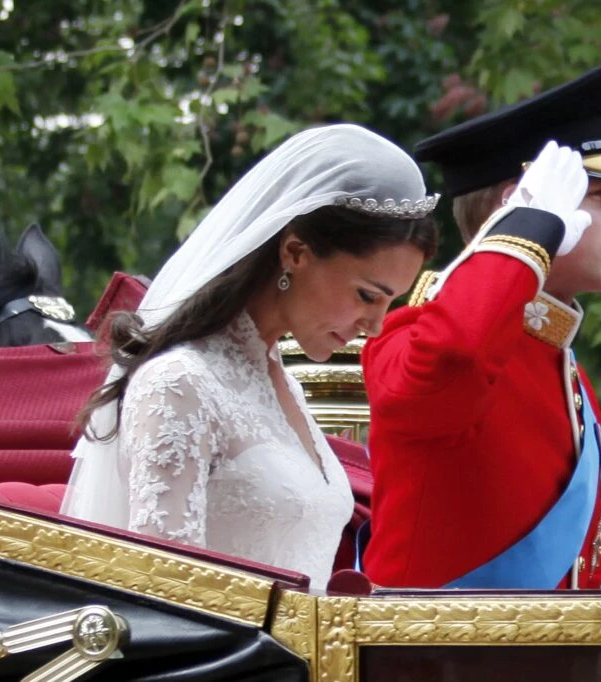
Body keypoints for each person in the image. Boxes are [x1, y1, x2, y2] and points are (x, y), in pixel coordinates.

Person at [61, 124, 440, 589]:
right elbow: (166, 596)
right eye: (366, 295)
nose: (376, 326)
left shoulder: (283, 385)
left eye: (389, 303)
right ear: (296, 253)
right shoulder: (180, 384)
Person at [360, 64, 601, 589]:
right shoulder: (411, 334)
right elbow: (455, 357)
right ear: (522, 203)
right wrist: (525, 234)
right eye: (600, 195)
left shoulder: (565, 370)